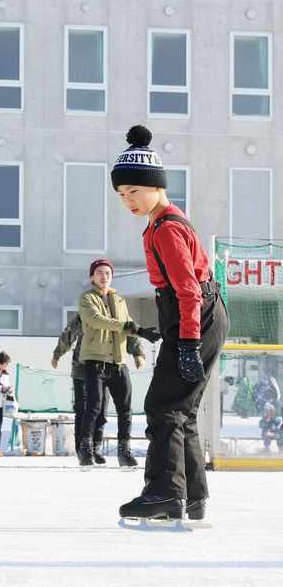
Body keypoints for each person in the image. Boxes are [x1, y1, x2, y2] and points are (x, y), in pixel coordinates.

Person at [113, 124, 230, 525]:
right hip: (198, 316)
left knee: (162, 406)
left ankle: (163, 493)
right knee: (183, 410)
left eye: (134, 191)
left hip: (196, 315)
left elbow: (187, 289)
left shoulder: (167, 229)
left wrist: (186, 344)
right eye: (122, 194)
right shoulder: (161, 223)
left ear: (156, 186)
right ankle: (192, 495)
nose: (129, 200)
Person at [76, 258, 160, 469]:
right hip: (96, 361)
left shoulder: (120, 301)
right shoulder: (87, 298)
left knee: (125, 409)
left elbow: (128, 328)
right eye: (100, 273)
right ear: (92, 277)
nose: (104, 277)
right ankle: (85, 448)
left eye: (107, 273)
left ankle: (124, 449)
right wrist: (134, 328)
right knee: (94, 408)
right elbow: (98, 320)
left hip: (118, 362)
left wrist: (138, 349)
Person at [52, 314, 149, 464]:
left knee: (101, 410)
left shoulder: (118, 314)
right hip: (82, 370)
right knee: (84, 409)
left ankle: (94, 447)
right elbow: (68, 334)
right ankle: (82, 449)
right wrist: (57, 354)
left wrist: (138, 353)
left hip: (104, 370)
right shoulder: (85, 316)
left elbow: (130, 334)